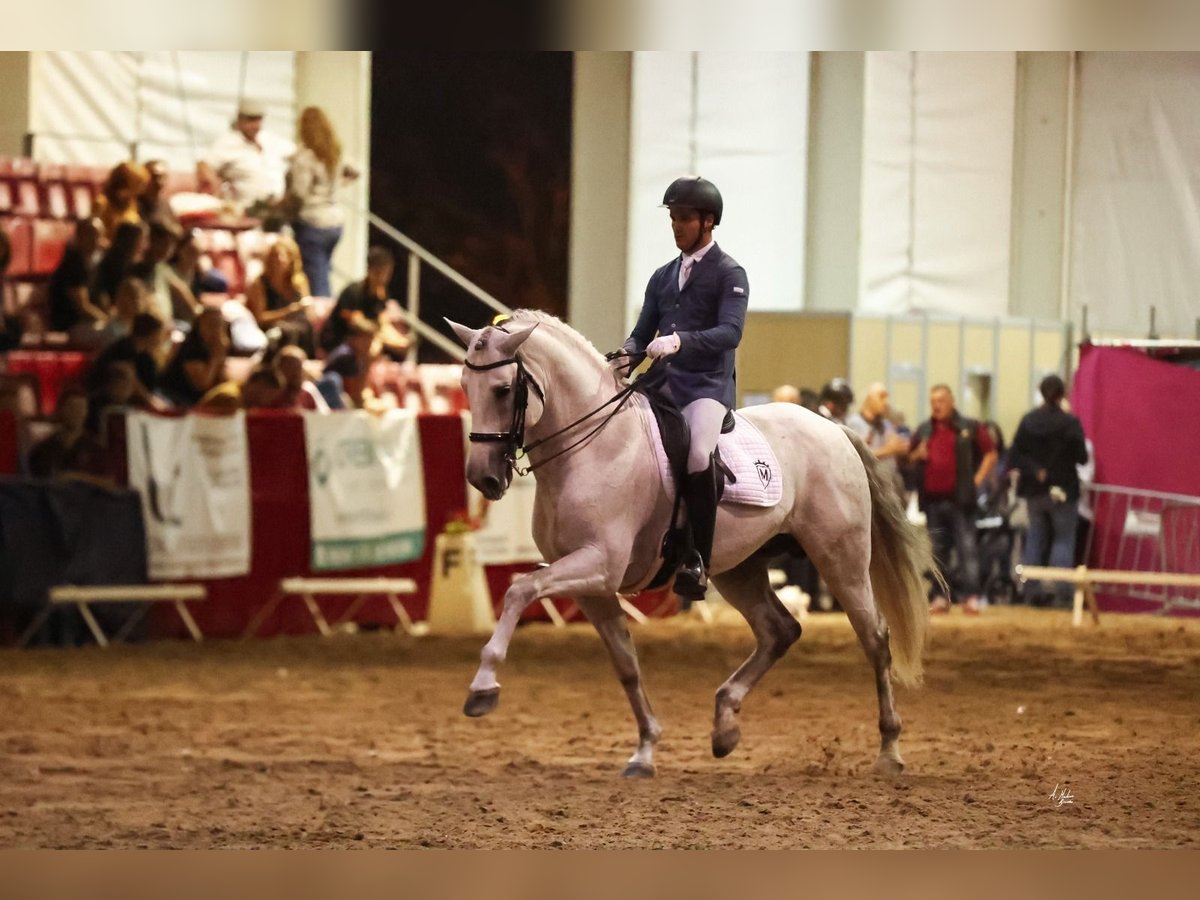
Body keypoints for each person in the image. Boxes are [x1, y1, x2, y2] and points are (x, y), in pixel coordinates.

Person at [610, 175, 748, 601]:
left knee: (695, 453)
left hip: (706, 387)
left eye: (684, 218)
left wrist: (681, 341)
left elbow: (730, 333)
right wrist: (625, 355)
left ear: (708, 222)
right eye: (672, 217)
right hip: (662, 383)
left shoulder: (730, 273)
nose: (676, 226)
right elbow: (640, 333)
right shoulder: (662, 276)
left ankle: (697, 559)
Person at [909, 384, 997, 614]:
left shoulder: (969, 427)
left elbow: (990, 452)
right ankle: (940, 596)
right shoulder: (924, 430)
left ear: (952, 402)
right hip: (932, 501)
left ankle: (971, 596)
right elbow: (909, 456)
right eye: (933, 402)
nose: (936, 406)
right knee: (938, 551)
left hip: (961, 501)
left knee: (967, 548)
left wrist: (977, 479)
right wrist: (917, 455)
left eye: (941, 401)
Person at [1009, 374, 1089, 608]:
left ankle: (1031, 590)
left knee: (1035, 537)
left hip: (1035, 490)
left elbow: (1015, 454)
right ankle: (1060, 592)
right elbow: (1082, 458)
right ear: (1062, 394)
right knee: (1063, 539)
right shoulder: (1070, 423)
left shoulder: (1028, 421)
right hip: (1064, 489)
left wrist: (1036, 470)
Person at [287, 106, 358, 298]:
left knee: (316, 281)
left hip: (313, 223)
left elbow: (299, 193)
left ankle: (322, 322)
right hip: (334, 222)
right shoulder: (334, 153)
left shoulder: (305, 157)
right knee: (324, 271)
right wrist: (336, 186)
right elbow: (356, 171)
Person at [197, 98, 294, 210]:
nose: (255, 125)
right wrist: (214, 186)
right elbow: (204, 165)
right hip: (247, 208)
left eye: (258, 120)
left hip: (276, 209)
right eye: (251, 120)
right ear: (240, 120)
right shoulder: (229, 143)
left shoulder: (269, 139)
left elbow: (296, 155)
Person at [320, 245, 409, 357]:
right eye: (379, 273)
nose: (383, 278)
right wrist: (381, 336)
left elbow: (381, 321)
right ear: (369, 270)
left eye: (387, 273)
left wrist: (399, 340)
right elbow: (355, 322)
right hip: (339, 343)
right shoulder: (353, 291)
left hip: (362, 342)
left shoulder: (381, 294)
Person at [244, 237, 315, 356]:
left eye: (283, 256)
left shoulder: (299, 281)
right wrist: (288, 311)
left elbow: (307, 311)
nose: (279, 260)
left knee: (305, 327)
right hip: (272, 328)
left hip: (298, 326)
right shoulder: (260, 284)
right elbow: (259, 318)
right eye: (274, 256)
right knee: (285, 331)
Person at [84, 312, 167, 410]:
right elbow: (131, 378)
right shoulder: (124, 349)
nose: (161, 340)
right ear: (152, 334)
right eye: (159, 334)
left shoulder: (144, 356)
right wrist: (151, 401)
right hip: (104, 399)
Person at [846, 381, 908, 501]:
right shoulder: (854, 423)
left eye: (887, 397)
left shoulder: (886, 424)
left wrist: (902, 449)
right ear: (869, 399)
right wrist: (888, 450)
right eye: (881, 396)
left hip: (889, 488)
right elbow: (857, 456)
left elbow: (896, 449)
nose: (886, 402)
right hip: (868, 490)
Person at [134, 221, 201, 330]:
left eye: (171, 245)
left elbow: (183, 295)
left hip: (166, 328)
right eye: (163, 244)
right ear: (151, 242)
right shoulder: (138, 271)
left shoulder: (162, 269)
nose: (167, 249)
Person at [27, 387, 102, 480]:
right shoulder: (42, 451)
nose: (77, 412)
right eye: (72, 407)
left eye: (81, 408)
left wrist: (76, 477)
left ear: (87, 412)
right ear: (60, 410)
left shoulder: (96, 450)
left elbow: (108, 483)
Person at [159, 308, 229, 407]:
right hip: (175, 397)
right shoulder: (191, 347)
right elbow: (202, 384)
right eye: (211, 324)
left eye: (219, 325)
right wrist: (215, 358)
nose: (215, 329)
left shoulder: (216, 346)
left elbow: (221, 381)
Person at [46, 217, 105, 334]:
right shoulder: (72, 266)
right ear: (79, 237)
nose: (95, 240)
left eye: (98, 236)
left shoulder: (93, 264)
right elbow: (82, 306)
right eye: (90, 235)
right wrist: (107, 320)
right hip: (69, 326)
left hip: (85, 324)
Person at [92, 221, 148, 310]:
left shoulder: (140, 267)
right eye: (141, 240)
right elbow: (102, 296)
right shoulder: (108, 266)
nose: (145, 245)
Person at [93, 162, 149, 238]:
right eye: (139, 185)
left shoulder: (132, 204)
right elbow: (96, 236)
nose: (141, 191)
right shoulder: (102, 203)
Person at [137, 160, 182, 233]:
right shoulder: (134, 204)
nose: (160, 182)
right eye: (154, 177)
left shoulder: (164, 203)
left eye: (163, 177)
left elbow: (178, 229)